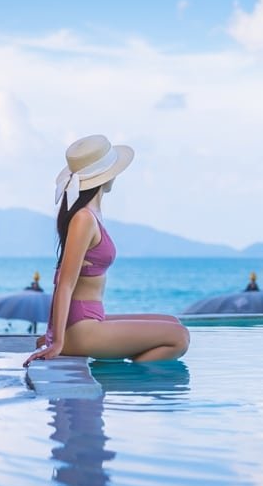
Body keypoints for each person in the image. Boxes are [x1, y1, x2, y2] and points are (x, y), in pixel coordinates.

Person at [24, 135, 190, 367]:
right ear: (106, 175)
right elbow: (65, 283)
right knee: (179, 338)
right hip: (81, 327)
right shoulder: (83, 219)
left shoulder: (91, 215)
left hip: (90, 318)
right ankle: (116, 380)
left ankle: (117, 366)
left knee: (173, 322)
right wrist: (57, 342)